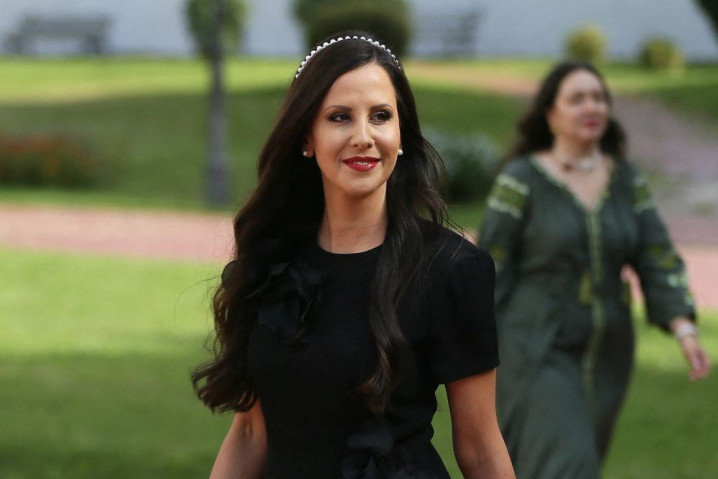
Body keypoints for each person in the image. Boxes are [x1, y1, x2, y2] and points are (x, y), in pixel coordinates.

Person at [192, 31, 515, 479]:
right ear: (307, 137)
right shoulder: (268, 264)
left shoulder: (452, 269)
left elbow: (480, 448)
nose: (363, 137)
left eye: (380, 116)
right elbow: (250, 432)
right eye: (340, 117)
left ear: (400, 135)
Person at [478, 60, 711, 478]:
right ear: (550, 113)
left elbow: (656, 253)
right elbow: (489, 265)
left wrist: (683, 327)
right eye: (577, 98)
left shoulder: (626, 180)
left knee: (566, 460)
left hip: (608, 352)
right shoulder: (521, 181)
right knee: (570, 463)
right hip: (536, 344)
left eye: (599, 97)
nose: (592, 107)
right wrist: (470, 344)